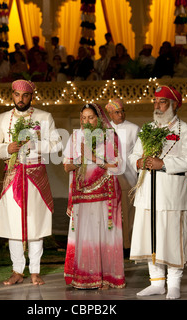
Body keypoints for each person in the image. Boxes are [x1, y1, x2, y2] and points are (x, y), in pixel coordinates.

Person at [129, 85, 187, 299]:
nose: (157, 106)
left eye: (162, 102)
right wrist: (139, 161)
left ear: (174, 105)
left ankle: (174, 283)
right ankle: (156, 282)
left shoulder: (186, 130)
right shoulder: (148, 128)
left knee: (171, 238)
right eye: (155, 101)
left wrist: (164, 163)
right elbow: (133, 156)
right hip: (148, 192)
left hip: (172, 194)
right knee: (151, 238)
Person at [0, 80, 61, 286]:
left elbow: (56, 144)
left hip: (36, 176)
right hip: (12, 175)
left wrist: (34, 144)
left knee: (36, 224)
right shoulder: (2, 118)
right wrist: (6, 149)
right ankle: (17, 270)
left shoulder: (44, 117)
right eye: (17, 95)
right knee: (13, 225)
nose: (21, 99)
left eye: (25, 95)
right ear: (12, 95)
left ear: (31, 96)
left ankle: (35, 271)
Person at [63, 103, 125, 289]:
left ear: (99, 118)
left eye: (90, 117)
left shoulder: (110, 137)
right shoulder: (75, 137)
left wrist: (94, 157)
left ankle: (105, 278)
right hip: (82, 194)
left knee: (102, 236)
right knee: (85, 237)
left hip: (104, 195)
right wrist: (81, 159)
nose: (86, 122)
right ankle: (85, 277)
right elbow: (66, 166)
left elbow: (118, 167)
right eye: (83, 118)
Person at [105, 99, 140, 250]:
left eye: (122, 111)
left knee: (128, 213)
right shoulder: (103, 129)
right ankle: (113, 245)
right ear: (110, 114)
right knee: (111, 213)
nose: (121, 114)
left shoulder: (134, 128)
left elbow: (139, 154)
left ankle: (128, 246)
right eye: (117, 112)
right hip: (108, 178)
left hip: (129, 178)